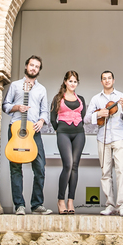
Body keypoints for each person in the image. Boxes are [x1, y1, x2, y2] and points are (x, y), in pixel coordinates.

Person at [3, 55, 52, 215]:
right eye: (31, 65)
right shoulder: (15, 85)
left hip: (34, 131)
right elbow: (5, 106)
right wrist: (17, 107)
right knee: (16, 168)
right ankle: (19, 205)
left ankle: (37, 204)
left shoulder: (41, 89)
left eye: (37, 66)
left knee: (40, 167)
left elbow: (45, 110)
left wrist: (42, 120)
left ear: (39, 70)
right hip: (16, 129)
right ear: (26, 66)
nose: (33, 68)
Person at [84, 70, 123, 216]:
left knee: (121, 172)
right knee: (105, 173)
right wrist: (98, 114)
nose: (107, 80)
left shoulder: (122, 97)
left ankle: (122, 206)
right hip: (102, 138)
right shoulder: (96, 99)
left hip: (119, 138)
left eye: (109, 78)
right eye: (104, 78)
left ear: (113, 80)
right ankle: (110, 205)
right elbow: (86, 119)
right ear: (101, 82)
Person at [50, 70, 86, 214]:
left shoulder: (81, 98)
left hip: (79, 134)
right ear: (65, 82)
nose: (72, 84)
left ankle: (71, 201)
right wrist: (59, 130)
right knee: (68, 165)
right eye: (70, 81)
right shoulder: (58, 98)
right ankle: (60, 200)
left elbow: (82, 116)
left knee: (75, 166)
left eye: (75, 81)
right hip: (63, 133)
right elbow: (53, 119)